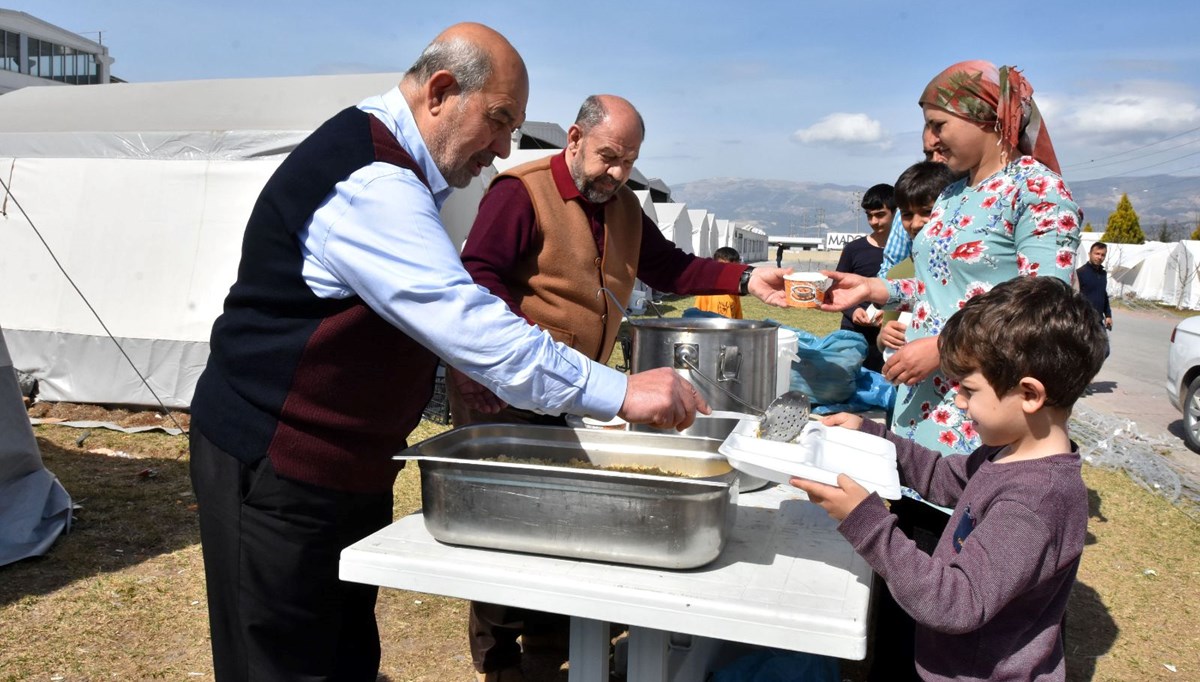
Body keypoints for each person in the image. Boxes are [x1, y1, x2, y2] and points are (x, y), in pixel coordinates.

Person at [188, 25, 710, 682]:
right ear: (440, 91)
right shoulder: (371, 178)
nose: (499, 150)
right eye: (498, 122)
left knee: (343, 654)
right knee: (283, 662)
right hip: (278, 464)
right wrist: (622, 392)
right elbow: (469, 319)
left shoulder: (403, 172)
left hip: (347, 468)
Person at [451, 93, 789, 681]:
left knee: (562, 523)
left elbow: (675, 268)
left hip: (578, 395)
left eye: (629, 161)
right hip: (504, 389)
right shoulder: (520, 190)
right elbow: (477, 281)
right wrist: (494, 365)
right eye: (609, 156)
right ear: (575, 138)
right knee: (504, 525)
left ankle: (551, 653)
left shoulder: (627, 207)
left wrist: (746, 276)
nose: (618, 172)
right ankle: (502, 662)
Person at [793, 275, 1108, 682]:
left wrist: (864, 520)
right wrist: (870, 434)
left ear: (1030, 394)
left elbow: (953, 603)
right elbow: (943, 475)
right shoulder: (1009, 454)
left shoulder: (1033, 503)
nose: (959, 401)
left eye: (970, 390)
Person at [821, 60, 1082, 457]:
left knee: (957, 514)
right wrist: (874, 288)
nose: (928, 140)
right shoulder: (951, 194)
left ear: (985, 118)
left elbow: (1044, 311)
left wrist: (943, 348)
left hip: (980, 413)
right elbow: (937, 283)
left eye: (938, 124)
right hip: (919, 404)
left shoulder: (1036, 191)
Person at [835, 184, 895, 371]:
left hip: (889, 335)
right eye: (869, 215)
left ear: (896, 212)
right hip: (854, 333)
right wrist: (853, 311)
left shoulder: (909, 252)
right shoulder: (854, 250)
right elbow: (837, 289)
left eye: (880, 214)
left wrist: (891, 313)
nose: (874, 221)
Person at [693, 246, 746, 318]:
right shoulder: (705, 292)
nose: (728, 272)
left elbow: (738, 317)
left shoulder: (733, 291)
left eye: (733, 269)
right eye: (724, 268)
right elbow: (696, 316)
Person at [1077, 241, 1113, 330]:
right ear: (1090, 254)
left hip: (1099, 321)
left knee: (1104, 344)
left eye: (1103, 255)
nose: (1100, 257)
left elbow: (1103, 295)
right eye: (1097, 254)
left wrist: (1108, 315)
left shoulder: (1103, 274)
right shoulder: (1080, 273)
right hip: (1083, 322)